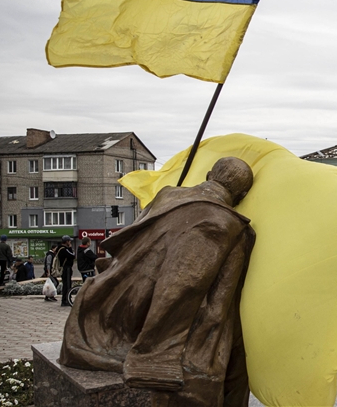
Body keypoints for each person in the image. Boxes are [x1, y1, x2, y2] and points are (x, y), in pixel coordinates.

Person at [60, 157, 257, 406]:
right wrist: (157, 353)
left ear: (209, 175)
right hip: (150, 327)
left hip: (104, 303)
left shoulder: (167, 195)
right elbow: (194, 291)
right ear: (243, 194)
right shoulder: (230, 227)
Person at [57, 235, 76, 307]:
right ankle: (65, 300)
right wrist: (70, 247)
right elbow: (72, 255)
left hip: (66, 268)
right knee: (67, 284)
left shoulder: (61, 248)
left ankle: (66, 299)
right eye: (69, 241)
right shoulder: (63, 249)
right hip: (66, 268)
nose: (70, 242)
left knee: (66, 284)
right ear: (66, 242)